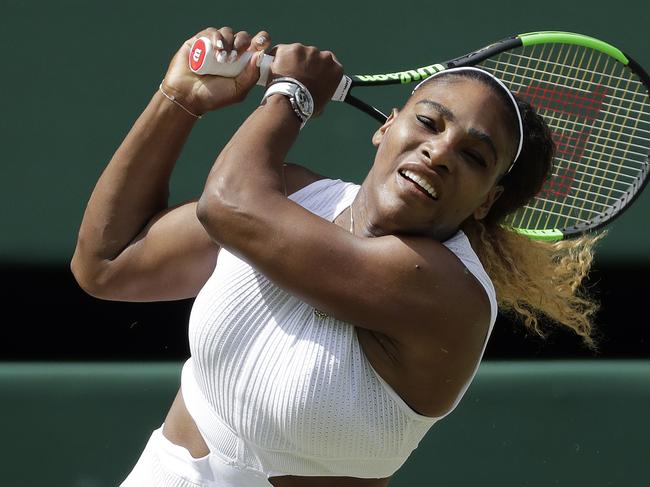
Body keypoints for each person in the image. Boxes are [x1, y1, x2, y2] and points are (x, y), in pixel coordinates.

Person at [71, 25, 601, 487]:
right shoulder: (291, 198)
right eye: (429, 123)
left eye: (473, 155)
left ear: (487, 200)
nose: (438, 153)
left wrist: (291, 95)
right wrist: (178, 98)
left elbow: (228, 205)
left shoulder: (445, 291)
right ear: (385, 127)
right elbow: (106, 264)